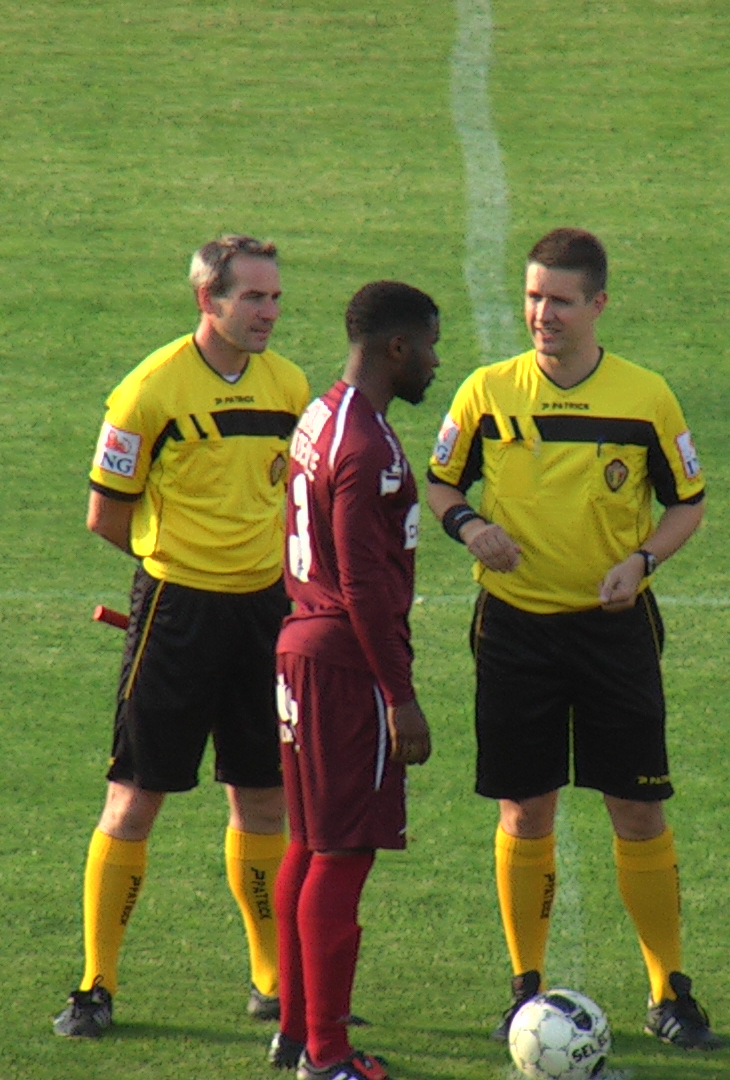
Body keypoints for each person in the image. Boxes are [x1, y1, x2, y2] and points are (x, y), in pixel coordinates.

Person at [424, 227, 721, 1051]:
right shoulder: (487, 393)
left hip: (613, 631)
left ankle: (668, 989)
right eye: (533, 297)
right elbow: (441, 481)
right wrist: (470, 525)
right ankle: (525, 989)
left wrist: (642, 561)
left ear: (598, 304)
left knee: (638, 807)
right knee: (525, 810)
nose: (541, 314)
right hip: (514, 629)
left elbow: (689, 501)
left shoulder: (645, 398)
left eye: (559, 300)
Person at [54, 235, 309, 1039]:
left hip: (266, 615)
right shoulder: (148, 392)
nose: (268, 312)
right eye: (253, 297)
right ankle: (95, 985)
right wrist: (183, 567)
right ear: (209, 299)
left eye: (275, 297)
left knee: (263, 797)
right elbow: (106, 515)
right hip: (176, 613)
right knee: (136, 797)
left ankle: (273, 982)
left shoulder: (289, 385)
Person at [266, 281, 440, 1080]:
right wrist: (399, 695)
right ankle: (327, 1055)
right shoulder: (365, 447)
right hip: (344, 665)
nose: (435, 362)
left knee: (308, 845)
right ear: (396, 348)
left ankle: (295, 1032)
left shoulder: (321, 415)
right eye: (429, 345)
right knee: (341, 855)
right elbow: (365, 584)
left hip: (303, 649)